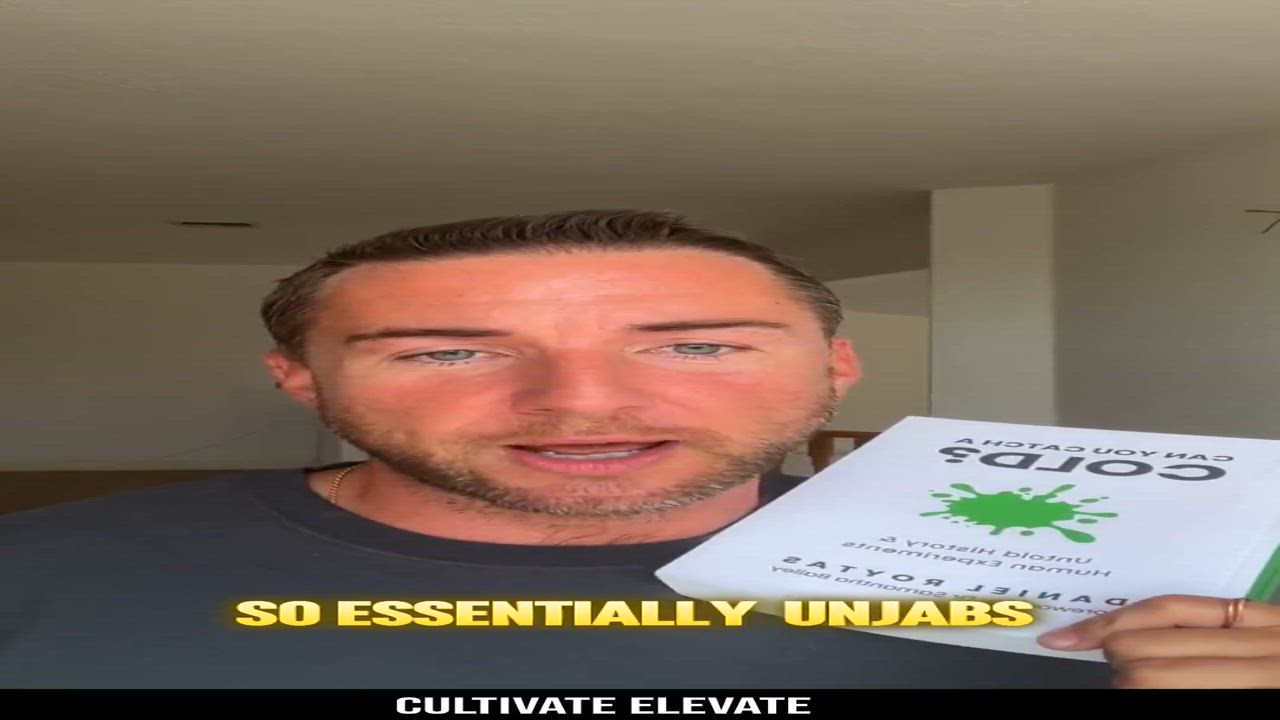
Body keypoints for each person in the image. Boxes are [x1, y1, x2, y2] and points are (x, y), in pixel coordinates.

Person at [1, 210, 1276, 689]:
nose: (581, 403)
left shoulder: (1190, 603)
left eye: (697, 346)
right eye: (445, 353)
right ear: (302, 381)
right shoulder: (37, 579)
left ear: (836, 371)